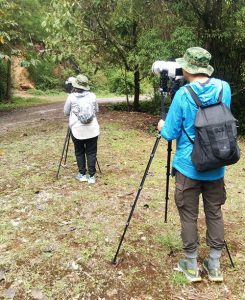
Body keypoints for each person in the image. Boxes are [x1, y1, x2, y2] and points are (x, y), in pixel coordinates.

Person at [157, 47, 231, 282]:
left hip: (188, 167)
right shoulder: (224, 88)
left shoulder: (182, 95)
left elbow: (169, 133)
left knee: (188, 215)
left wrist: (160, 126)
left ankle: (191, 266)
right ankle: (215, 265)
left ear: (187, 68)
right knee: (214, 212)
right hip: (216, 164)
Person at [64, 74, 100, 184]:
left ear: (75, 85)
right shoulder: (92, 96)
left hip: (77, 130)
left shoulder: (71, 97)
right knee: (91, 152)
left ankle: (82, 174)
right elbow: (96, 110)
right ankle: (92, 177)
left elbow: (66, 112)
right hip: (92, 129)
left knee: (79, 152)